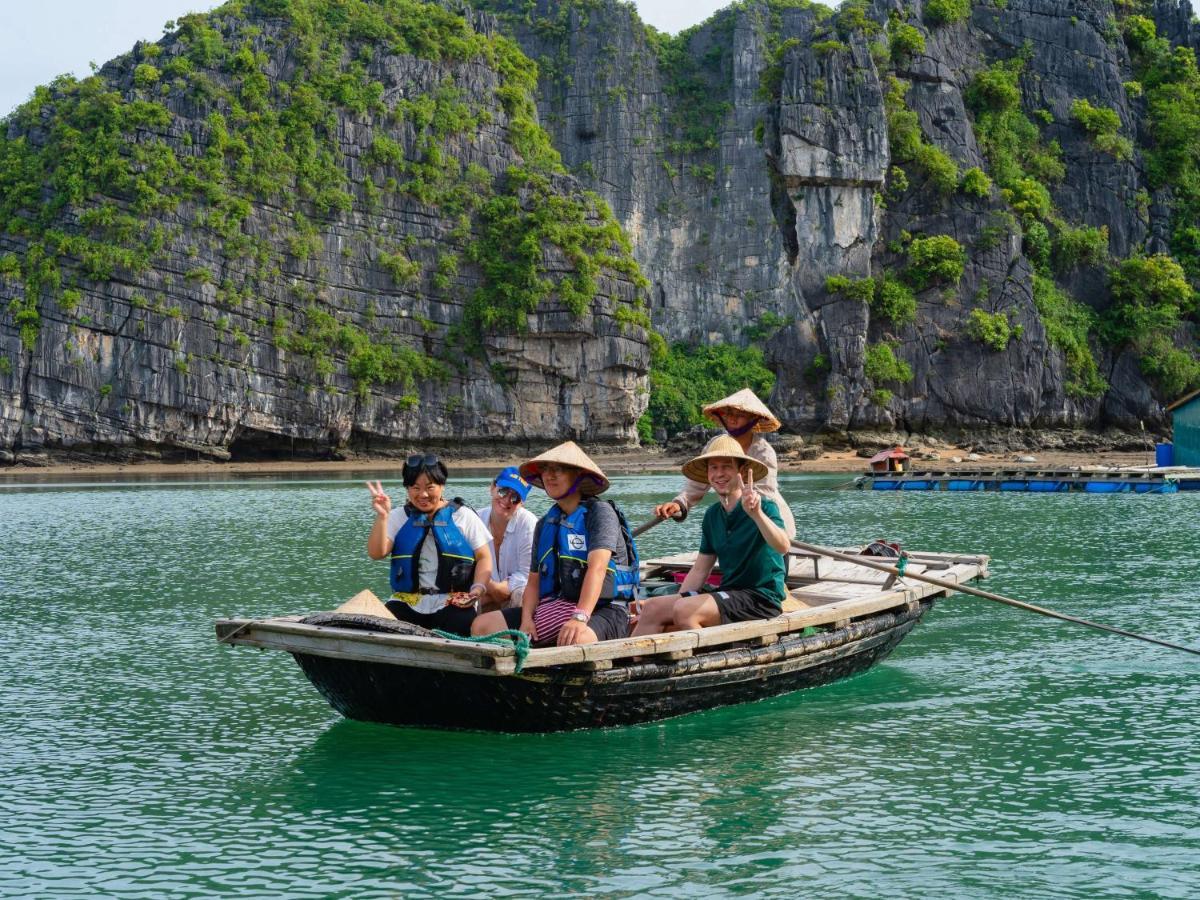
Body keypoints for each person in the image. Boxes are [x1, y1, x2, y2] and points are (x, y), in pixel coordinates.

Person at [471, 441, 637, 646]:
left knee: (576, 639)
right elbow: (533, 581)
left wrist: (579, 617)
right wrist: (526, 620)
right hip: (556, 606)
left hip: (604, 609)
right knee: (482, 626)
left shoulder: (599, 513)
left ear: (577, 475)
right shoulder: (545, 523)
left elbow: (598, 568)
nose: (550, 476)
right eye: (546, 470)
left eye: (559, 470)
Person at [633, 435, 790, 635]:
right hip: (729, 593)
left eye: (726, 467)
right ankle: (632, 663)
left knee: (685, 611)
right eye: (713, 468)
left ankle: (707, 662)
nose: (719, 474)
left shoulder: (765, 507)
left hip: (760, 598)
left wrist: (756, 514)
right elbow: (700, 570)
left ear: (741, 471)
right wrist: (680, 598)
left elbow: (783, 546)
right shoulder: (713, 515)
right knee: (652, 608)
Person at [366, 454, 492, 636]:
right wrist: (382, 516)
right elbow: (376, 553)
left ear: (442, 486)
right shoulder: (397, 516)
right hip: (407, 601)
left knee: (461, 626)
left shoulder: (463, 516)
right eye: (415, 488)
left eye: (430, 487)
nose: (423, 494)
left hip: (453, 600)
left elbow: (484, 557)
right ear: (407, 488)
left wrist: (478, 587)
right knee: (384, 629)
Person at [653, 388, 796, 540]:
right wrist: (679, 505)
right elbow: (695, 486)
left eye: (740, 415)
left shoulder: (763, 452)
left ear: (754, 418)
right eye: (728, 414)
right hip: (737, 528)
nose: (732, 420)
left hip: (771, 527)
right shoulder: (715, 445)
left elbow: (763, 496)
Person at [475, 466, 538, 612]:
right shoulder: (475, 519)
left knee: (521, 594)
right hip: (485, 589)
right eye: (503, 491)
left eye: (515, 497)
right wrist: (494, 589)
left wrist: (502, 589)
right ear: (492, 488)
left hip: (516, 594)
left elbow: (527, 574)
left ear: (522, 503)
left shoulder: (529, 524)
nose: (507, 500)